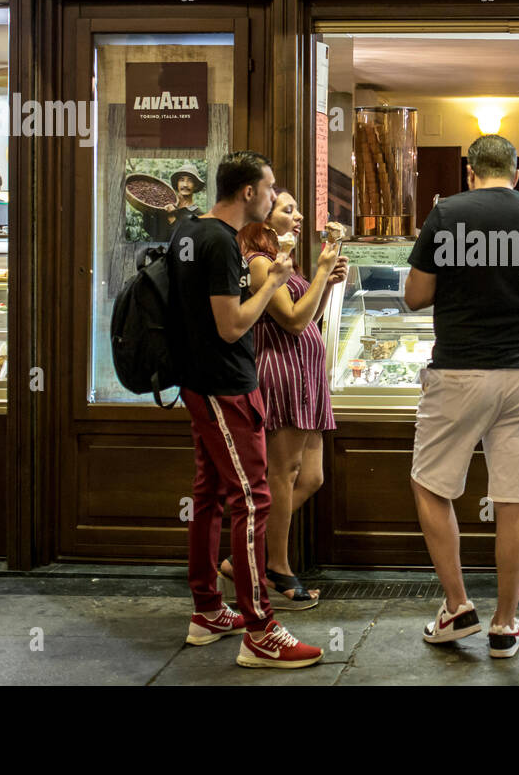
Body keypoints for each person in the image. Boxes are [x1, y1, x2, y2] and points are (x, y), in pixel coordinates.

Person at [405, 134, 519, 658]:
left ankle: (457, 605)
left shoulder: (444, 215)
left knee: (431, 486)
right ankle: (506, 625)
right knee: (516, 498)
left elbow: (416, 296)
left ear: (470, 172)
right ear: (518, 174)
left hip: (459, 370)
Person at [168, 149, 323, 669]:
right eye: (271, 188)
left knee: (209, 495)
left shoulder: (188, 230)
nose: (277, 196)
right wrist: (276, 281)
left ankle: (207, 610)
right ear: (249, 193)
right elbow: (233, 325)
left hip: (199, 382)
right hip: (224, 386)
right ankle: (260, 629)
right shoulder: (219, 243)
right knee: (254, 501)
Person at [218, 188, 348, 610]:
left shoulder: (280, 262)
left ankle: (245, 558)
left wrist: (324, 283)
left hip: (305, 375)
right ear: (264, 216)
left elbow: (309, 314)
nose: (297, 216)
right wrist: (323, 269)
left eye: (296, 208)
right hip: (282, 374)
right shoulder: (258, 263)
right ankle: (275, 565)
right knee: (283, 473)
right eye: (287, 209)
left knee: (309, 477)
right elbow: (291, 322)